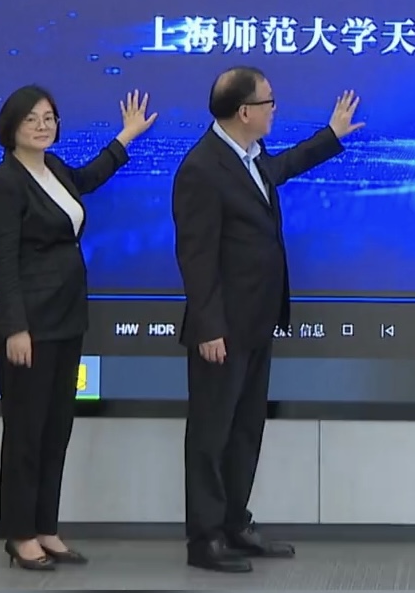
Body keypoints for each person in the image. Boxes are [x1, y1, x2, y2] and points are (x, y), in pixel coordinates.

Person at [173, 66, 364, 573]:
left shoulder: (250, 157)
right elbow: (195, 257)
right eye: (268, 102)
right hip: (221, 330)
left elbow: (280, 169)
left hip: (256, 321)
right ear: (244, 112)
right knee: (212, 434)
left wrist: (331, 136)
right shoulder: (202, 168)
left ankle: (235, 523)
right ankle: (205, 539)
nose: (274, 109)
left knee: (245, 430)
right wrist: (209, 326)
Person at [0, 85, 156, 571]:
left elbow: (88, 178)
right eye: (32, 119)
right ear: (11, 127)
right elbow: (2, 263)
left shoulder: (53, 168)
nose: (42, 126)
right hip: (31, 327)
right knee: (26, 433)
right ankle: (20, 535)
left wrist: (126, 136)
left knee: (55, 429)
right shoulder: (4, 184)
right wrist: (14, 327)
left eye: (49, 118)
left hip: (66, 318)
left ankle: (45, 527)